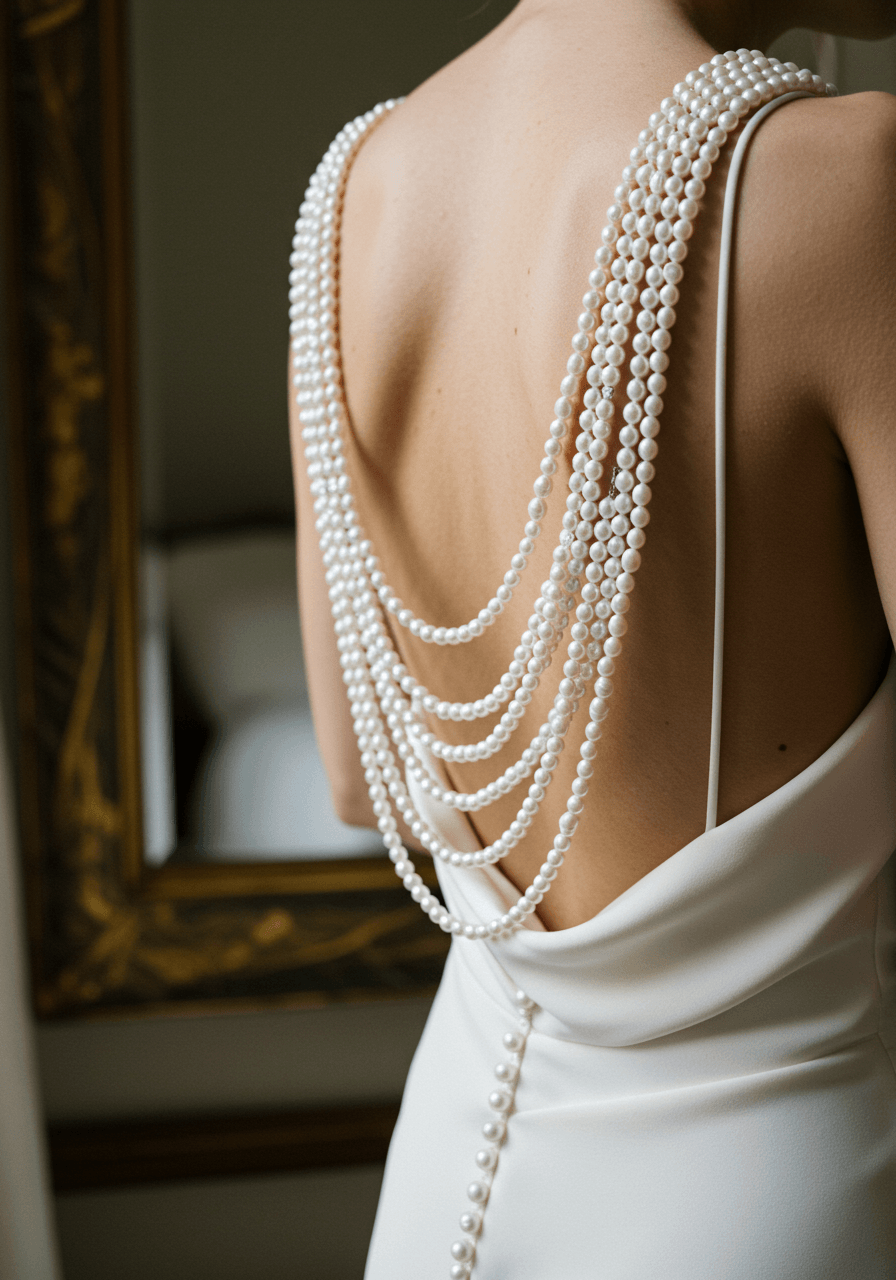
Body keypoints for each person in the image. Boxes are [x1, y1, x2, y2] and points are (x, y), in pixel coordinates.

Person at [289, 1, 896, 1274]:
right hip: (761, 1174)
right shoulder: (841, 183)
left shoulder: (358, 192)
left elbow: (359, 777)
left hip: (451, 1167)